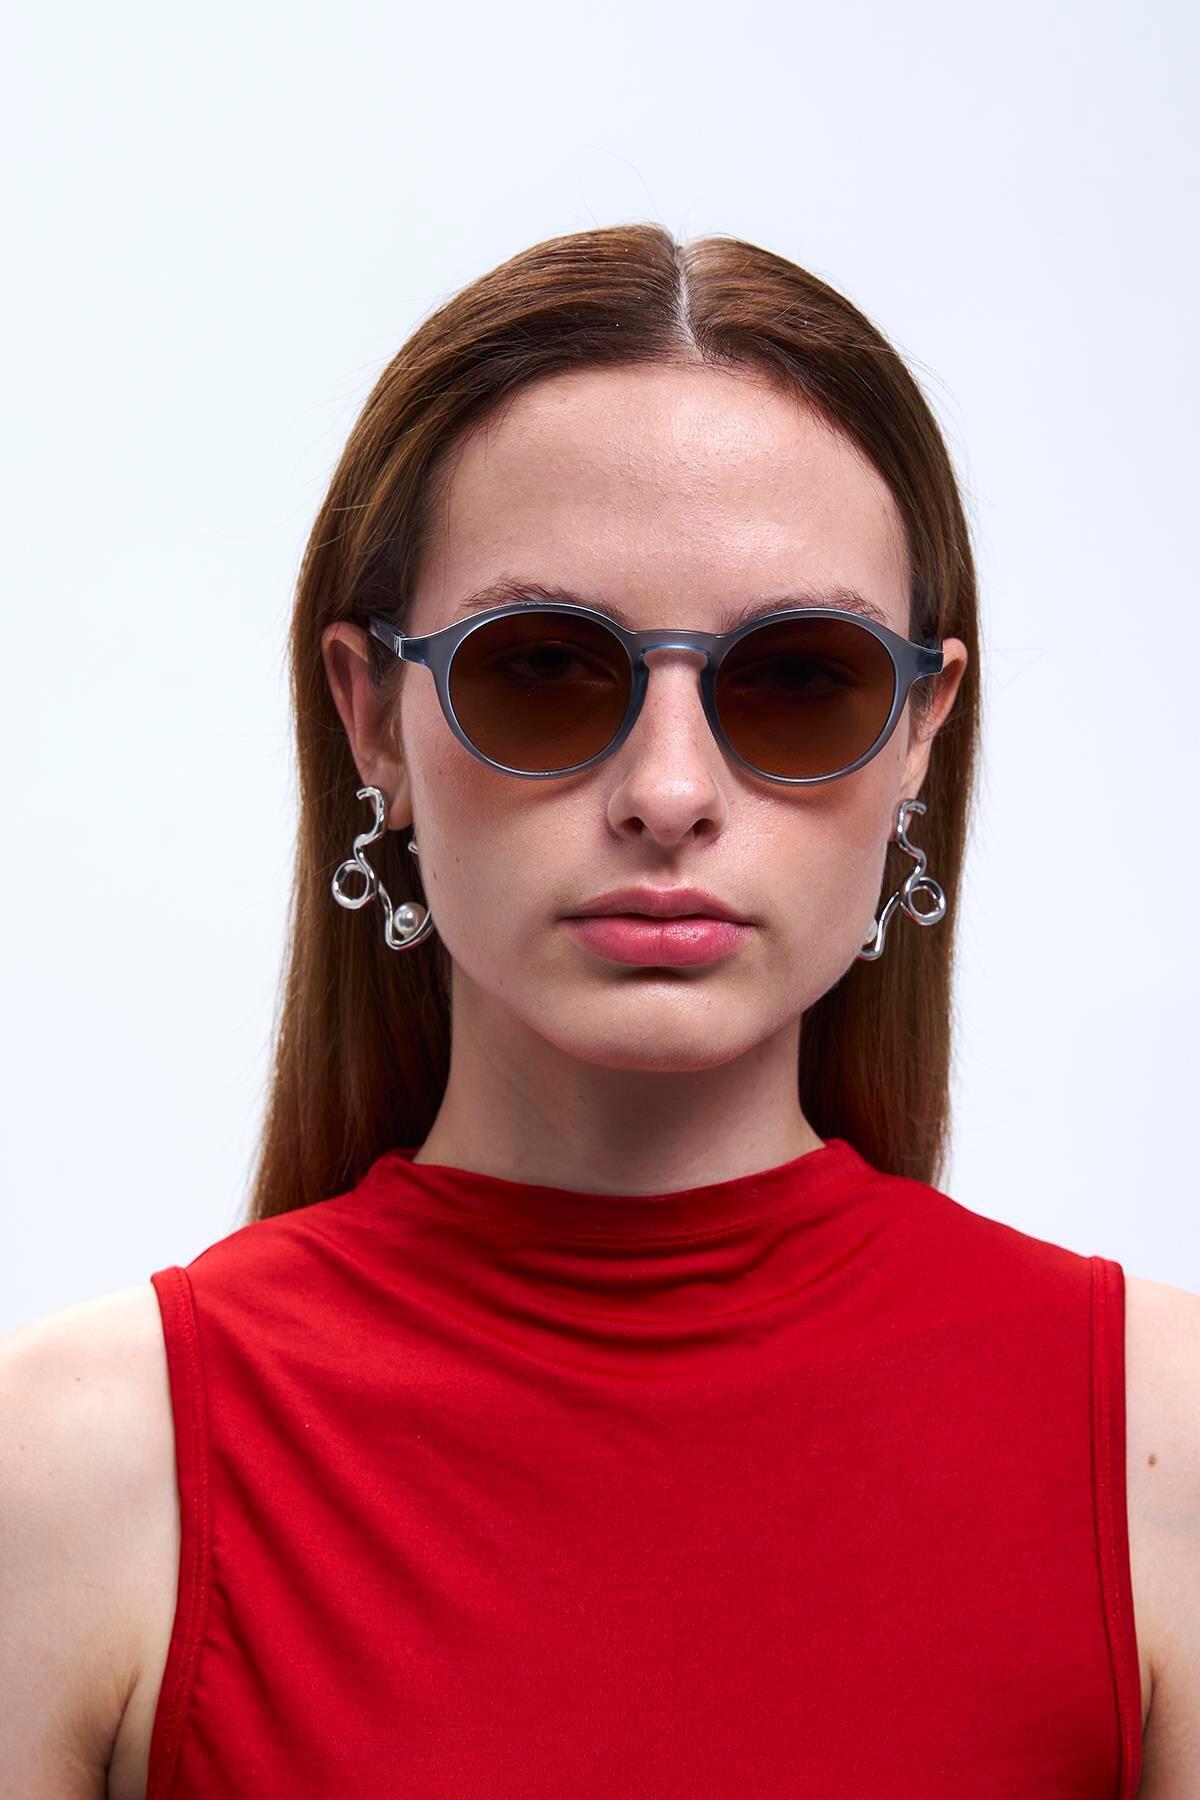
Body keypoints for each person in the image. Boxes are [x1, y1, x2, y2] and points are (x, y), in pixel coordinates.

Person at [1, 224, 1195, 1798]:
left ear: (920, 730)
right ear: (373, 717)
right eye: (547, 668)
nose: (670, 792)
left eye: (796, 679)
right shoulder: (80, 1471)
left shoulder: (1160, 1445)